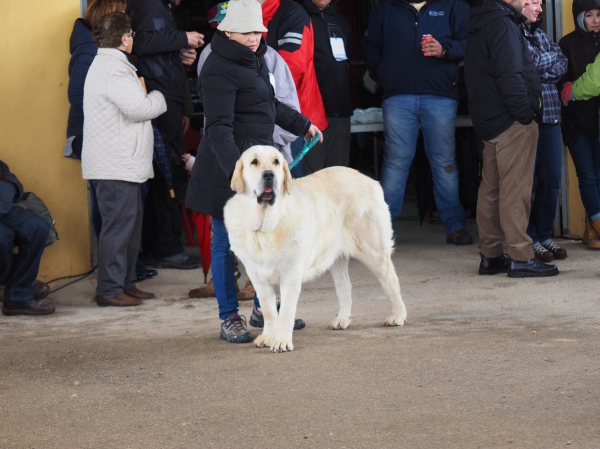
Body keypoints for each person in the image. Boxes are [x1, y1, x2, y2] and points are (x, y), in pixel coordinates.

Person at [185, 0, 322, 343]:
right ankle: (229, 317)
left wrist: (303, 124)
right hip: (227, 170)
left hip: (258, 168)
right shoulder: (217, 68)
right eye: (246, 31)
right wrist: (240, 175)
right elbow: (218, 128)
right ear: (226, 31)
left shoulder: (256, 57)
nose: (253, 37)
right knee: (224, 243)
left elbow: (270, 104)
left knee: (267, 238)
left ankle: (264, 310)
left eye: (258, 31)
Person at [363, 0, 474, 246]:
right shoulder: (384, 9)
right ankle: (382, 230)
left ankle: (455, 225)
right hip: (398, 96)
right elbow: (370, 47)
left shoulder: (454, 6)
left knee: (444, 162)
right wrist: (385, 75)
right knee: (395, 162)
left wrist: (445, 49)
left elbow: (471, 44)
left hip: (440, 95)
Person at [65, 0, 157, 283]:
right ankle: (112, 285)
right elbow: (79, 96)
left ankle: (125, 277)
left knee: (129, 212)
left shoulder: (110, 55)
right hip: (104, 143)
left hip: (118, 145)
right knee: (116, 216)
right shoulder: (90, 52)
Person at [464, 0, 558, 278]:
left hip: (490, 121)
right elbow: (510, 75)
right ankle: (520, 255)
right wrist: (526, 113)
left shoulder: (481, 22)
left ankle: (491, 255)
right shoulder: (503, 24)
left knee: (491, 189)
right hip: (511, 121)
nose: (533, 3)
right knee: (515, 190)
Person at [82, 12, 167, 307]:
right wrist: (159, 96)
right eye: (130, 33)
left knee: (129, 228)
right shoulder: (113, 69)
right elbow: (139, 108)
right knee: (119, 228)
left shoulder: (111, 64)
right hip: (114, 166)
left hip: (120, 164)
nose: (132, 38)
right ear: (123, 37)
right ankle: (109, 289)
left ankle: (125, 283)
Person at [127, 0, 204, 270]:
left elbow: (156, 49)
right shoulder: (148, 4)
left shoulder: (163, 8)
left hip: (167, 100)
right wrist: (182, 37)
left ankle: (164, 245)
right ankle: (165, 247)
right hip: (156, 102)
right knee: (168, 173)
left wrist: (181, 52)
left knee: (169, 171)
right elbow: (141, 43)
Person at [521, 0, 569, 262]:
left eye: (540, 3)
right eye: (532, 3)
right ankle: (530, 238)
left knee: (551, 179)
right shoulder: (514, 34)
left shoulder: (540, 35)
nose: (538, 8)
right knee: (528, 181)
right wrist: (543, 64)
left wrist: (542, 64)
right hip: (529, 119)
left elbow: (562, 63)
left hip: (551, 117)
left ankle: (544, 234)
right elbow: (529, 67)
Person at [260, 0, 329, 178]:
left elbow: (291, 69)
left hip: (292, 118)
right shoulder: (238, 14)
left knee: (290, 189)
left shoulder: (291, 12)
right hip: (261, 119)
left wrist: (253, 92)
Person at [559, 0, 600, 249]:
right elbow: (561, 83)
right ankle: (596, 225)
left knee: (598, 176)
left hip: (598, 121)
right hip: (577, 122)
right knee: (586, 176)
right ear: (578, 18)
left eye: (599, 14)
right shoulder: (568, 43)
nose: (595, 20)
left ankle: (591, 228)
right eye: (589, 15)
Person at [300, 0, 352, 175]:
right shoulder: (297, 17)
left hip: (340, 110)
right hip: (310, 112)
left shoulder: (342, 21)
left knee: (339, 175)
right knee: (313, 176)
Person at [0, 160, 54, 316]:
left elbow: (14, 184)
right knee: (2, 238)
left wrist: (5, 188)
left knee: (37, 227)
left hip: (4, 209)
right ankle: (20, 288)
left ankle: (17, 296)